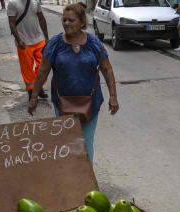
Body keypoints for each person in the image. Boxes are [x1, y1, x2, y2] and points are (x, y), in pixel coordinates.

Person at [28, 2, 119, 163]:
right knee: (68, 142)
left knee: (86, 142)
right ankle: (72, 179)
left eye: (71, 20)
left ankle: (87, 181)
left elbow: (107, 70)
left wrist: (113, 97)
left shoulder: (94, 43)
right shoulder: (55, 44)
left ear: (82, 22)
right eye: (64, 20)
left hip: (90, 103)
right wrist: (34, 96)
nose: (66, 23)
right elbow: (42, 70)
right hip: (63, 103)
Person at [7, 0, 49, 100]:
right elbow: (11, 23)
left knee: (44, 65)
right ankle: (31, 91)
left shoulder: (35, 2)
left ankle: (38, 87)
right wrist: (18, 39)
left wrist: (46, 37)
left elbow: (41, 18)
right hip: (23, 42)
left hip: (39, 39)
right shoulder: (13, 3)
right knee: (27, 68)